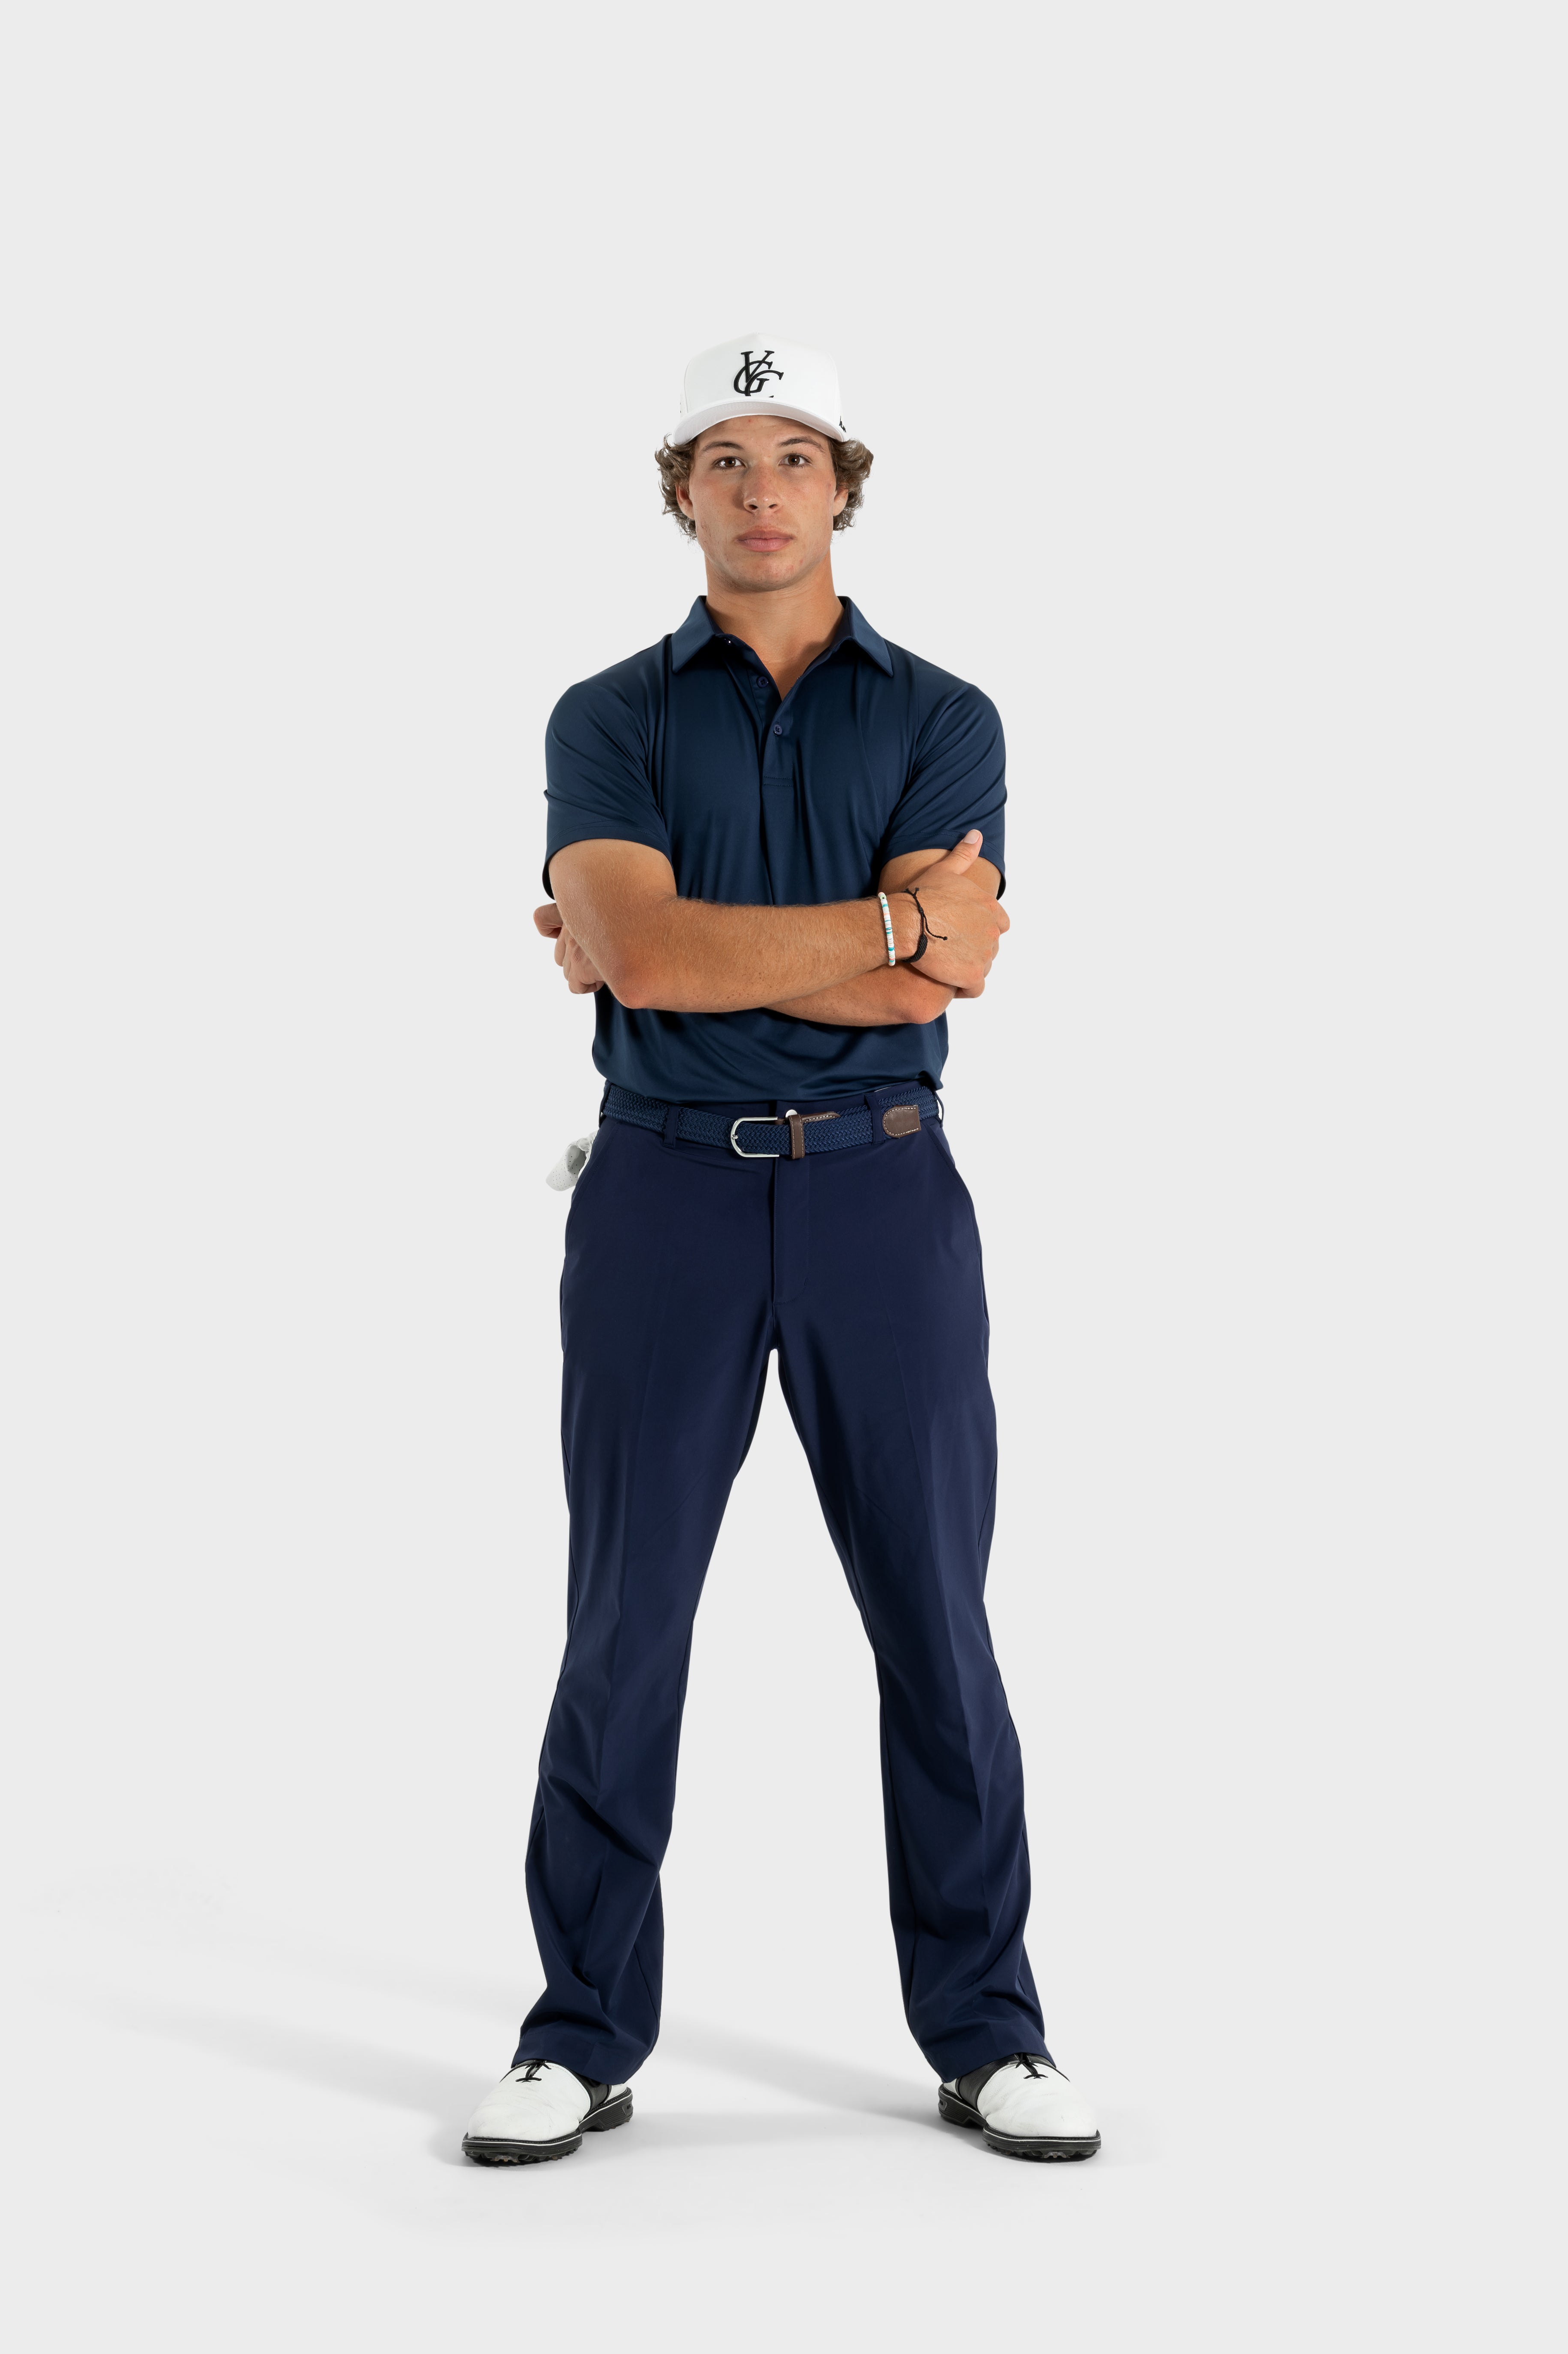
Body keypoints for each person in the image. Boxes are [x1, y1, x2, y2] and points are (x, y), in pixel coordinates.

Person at [461, 336, 1100, 2168]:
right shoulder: (607, 714)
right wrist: (883, 921)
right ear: (682, 493)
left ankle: (990, 2027)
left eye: (797, 455)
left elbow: (946, 974)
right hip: (660, 1194)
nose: (761, 490)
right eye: (725, 459)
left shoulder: (945, 710)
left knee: (935, 1618)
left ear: (845, 484)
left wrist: (700, 939)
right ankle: (580, 2029)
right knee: (625, 1619)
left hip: (887, 1194)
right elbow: (655, 962)